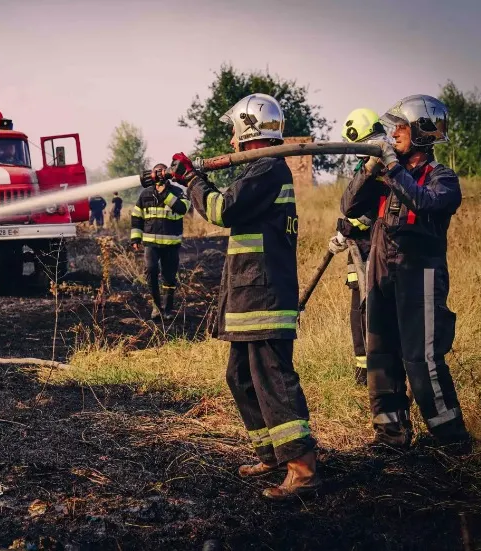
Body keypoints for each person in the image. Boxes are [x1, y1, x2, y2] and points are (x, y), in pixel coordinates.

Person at [156, 93, 319, 500]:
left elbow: (221, 210)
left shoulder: (267, 169)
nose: (230, 142)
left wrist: (193, 178)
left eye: (234, 132)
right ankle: (271, 454)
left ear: (248, 130)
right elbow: (225, 206)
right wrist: (184, 180)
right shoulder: (261, 172)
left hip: (263, 297)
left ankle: (302, 469)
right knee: (241, 377)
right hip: (250, 296)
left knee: (273, 382)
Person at [341, 94, 471, 452]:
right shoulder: (385, 174)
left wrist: (392, 168)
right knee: (380, 358)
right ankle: (390, 436)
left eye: (401, 126)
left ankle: (452, 441)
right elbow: (349, 205)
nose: (393, 133)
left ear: (422, 132)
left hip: (420, 279)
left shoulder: (442, 178)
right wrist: (370, 169)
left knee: (421, 362)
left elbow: (426, 202)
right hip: (382, 276)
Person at [330, 107, 385, 386]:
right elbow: (359, 209)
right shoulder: (370, 164)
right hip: (359, 250)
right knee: (358, 312)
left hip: (375, 253)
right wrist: (347, 231)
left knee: (366, 312)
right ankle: (363, 372)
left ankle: (371, 373)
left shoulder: (383, 164)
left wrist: (357, 223)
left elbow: (351, 204)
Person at [131, 164, 189, 321]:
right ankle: (157, 307)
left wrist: (165, 194)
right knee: (151, 271)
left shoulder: (177, 192)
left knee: (169, 277)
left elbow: (183, 208)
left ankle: (168, 308)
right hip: (151, 244)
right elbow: (137, 216)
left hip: (171, 244)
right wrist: (136, 238)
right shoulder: (145, 194)